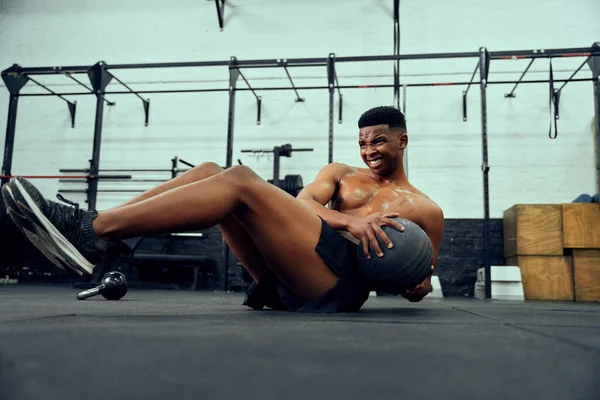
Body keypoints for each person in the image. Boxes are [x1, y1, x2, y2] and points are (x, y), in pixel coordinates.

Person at [2, 105, 444, 313]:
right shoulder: (341, 173)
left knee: (238, 180)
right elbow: (303, 203)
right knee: (215, 170)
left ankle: (93, 231)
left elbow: (420, 281)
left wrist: (409, 282)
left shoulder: (426, 209)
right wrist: (351, 219)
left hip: (336, 283)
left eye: (380, 141)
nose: (370, 150)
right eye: (364, 142)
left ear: (402, 141)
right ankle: (104, 233)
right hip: (294, 263)